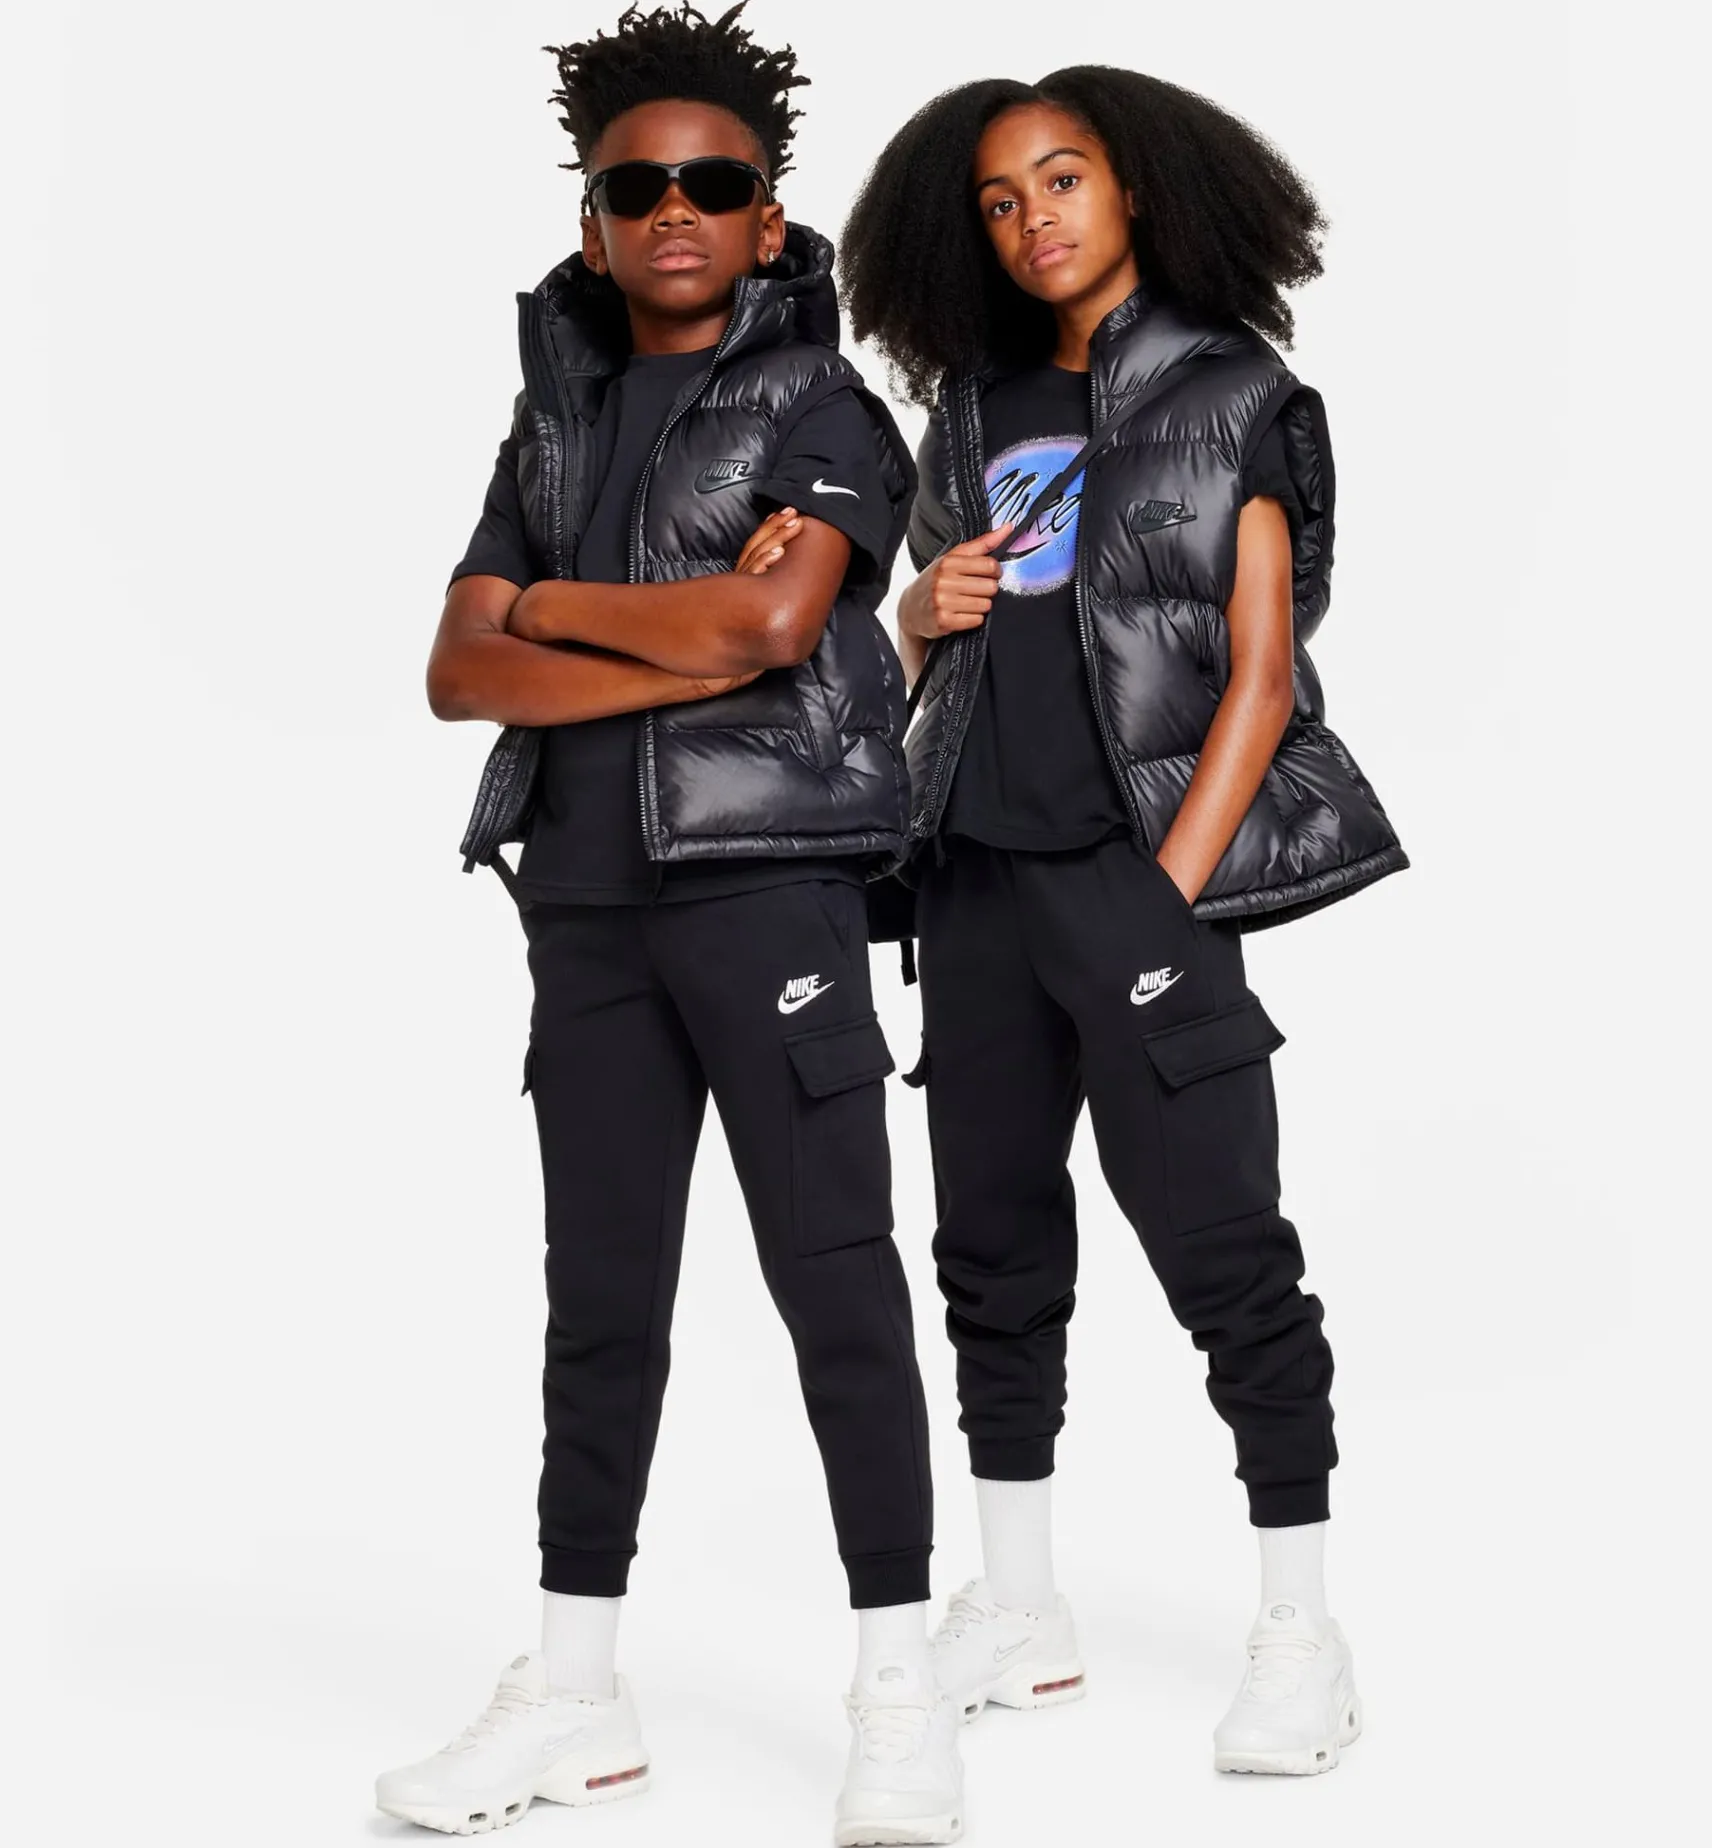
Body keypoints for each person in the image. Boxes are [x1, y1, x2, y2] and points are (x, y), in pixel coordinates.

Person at [376, 9, 963, 1841]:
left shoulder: (827, 409)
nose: (678, 209)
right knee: (599, 1306)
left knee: (838, 1286)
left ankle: (898, 1690)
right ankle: (575, 1691)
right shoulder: (549, 421)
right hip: (583, 912)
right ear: (595, 220)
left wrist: (555, 607)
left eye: (716, 181)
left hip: (770, 889)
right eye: (640, 188)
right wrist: (658, 630)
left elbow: (770, 631)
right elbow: (455, 671)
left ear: (768, 217)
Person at [834, 68, 1406, 1776]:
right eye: (1002, 201)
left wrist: (1167, 891)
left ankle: (1301, 1632)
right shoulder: (972, 405)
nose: (1036, 220)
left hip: (1134, 882)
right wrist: (916, 615)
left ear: (1138, 187)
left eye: (1064, 179)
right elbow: (938, 644)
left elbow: (1262, 671)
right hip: (972, 883)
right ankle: (1021, 1606)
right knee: (991, 1259)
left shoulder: (1237, 394)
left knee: (1229, 1257)